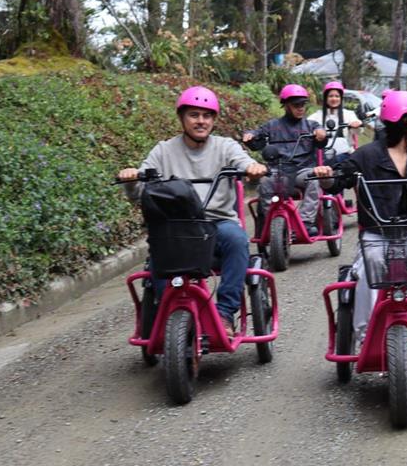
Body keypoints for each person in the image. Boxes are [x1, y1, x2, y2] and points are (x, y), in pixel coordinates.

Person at [313, 91, 407, 347]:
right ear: (406, 123)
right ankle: (366, 334)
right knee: (367, 266)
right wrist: (325, 175)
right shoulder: (367, 155)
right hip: (377, 233)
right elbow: (338, 179)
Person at [118, 86, 267, 337]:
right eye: (194, 115)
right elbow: (138, 190)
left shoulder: (225, 146)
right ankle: (169, 311)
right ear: (181, 118)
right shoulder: (163, 150)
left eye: (207, 116)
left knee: (237, 240)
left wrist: (252, 167)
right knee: (158, 251)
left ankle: (225, 314)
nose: (201, 121)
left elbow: (242, 163)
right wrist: (132, 178)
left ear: (214, 120)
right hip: (176, 228)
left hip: (217, 224)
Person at [243, 84, 327, 236]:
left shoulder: (311, 125)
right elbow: (256, 135)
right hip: (278, 171)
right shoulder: (272, 125)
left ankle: (305, 222)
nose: (300, 108)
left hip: (302, 170)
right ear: (286, 105)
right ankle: (271, 222)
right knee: (264, 183)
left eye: (303, 104)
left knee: (313, 180)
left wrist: (321, 134)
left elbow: (321, 136)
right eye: (296, 105)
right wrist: (249, 136)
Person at [307, 81, 362, 164]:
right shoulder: (316, 116)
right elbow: (306, 128)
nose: (334, 99)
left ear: (341, 98)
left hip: (345, 155)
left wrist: (356, 125)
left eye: (337, 96)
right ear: (326, 98)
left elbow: (357, 130)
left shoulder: (349, 114)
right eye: (331, 96)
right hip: (322, 156)